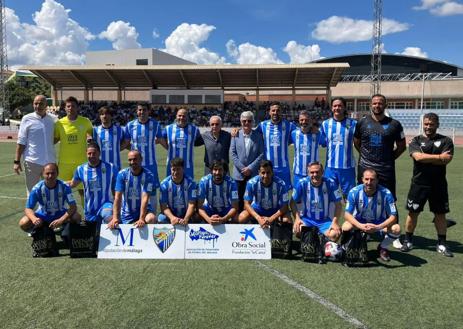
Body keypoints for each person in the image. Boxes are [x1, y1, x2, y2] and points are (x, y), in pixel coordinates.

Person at [401, 113, 454, 256]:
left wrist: (428, 158)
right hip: (419, 184)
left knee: (440, 214)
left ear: (437, 125)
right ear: (423, 124)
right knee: (413, 213)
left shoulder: (446, 140)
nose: (428, 127)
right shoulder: (416, 141)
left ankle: (442, 244)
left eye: (431, 124)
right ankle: (408, 240)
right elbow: (418, 157)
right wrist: (438, 157)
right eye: (426, 124)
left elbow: (447, 159)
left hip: (439, 185)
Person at [353, 94, 406, 200]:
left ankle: (390, 217)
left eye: (380, 103)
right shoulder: (361, 122)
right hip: (365, 167)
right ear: (370, 105)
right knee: (362, 198)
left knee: (388, 199)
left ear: (385, 105)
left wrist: (389, 158)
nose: (377, 105)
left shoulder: (395, 124)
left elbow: (402, 146)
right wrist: (366, 156)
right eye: (375, 103)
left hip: (386, 169)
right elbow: (356, 142)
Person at [342, 168, 401, 262]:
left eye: (372, 179)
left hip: (378, 223)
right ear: (362, 179)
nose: (369, 182)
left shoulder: (386, 193)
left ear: (377, 180)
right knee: (346, 227)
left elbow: (393, 216)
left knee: (396, 229)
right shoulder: (354, 192)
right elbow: (347, 214)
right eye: (366, 179)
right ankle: (350, 246)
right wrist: (360, 225)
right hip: (360, 222)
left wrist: (378, 227)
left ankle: (382, 247)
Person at [19, 163, 81, 233]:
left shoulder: (65, 187)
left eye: (53, 173)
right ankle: (37, 232)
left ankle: (66, 231)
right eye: (47, 173)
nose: (50, 176)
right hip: (43, 216)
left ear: (57, 174)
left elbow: (73, 207)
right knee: (23, 223)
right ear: (43, 174)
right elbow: (28, 208)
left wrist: (61, 220)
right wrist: (34, 219)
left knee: (77, 217)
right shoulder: (36, 188)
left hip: (60, 214)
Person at [14, 95, 56, 195]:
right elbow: (21, 141)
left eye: (41, 103)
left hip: (50, 163)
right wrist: (16, 161)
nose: (38, 106)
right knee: (32, 194)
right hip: (32, 162)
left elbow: (57, 137)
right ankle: (31, 211)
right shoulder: (26, 119)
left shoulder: (54, 120)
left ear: (46, 105)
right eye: (35, 103)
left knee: (51, 194)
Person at [54, 96, 93, 201]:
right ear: (65, 108)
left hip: (81, 163)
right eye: (68, 106)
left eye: (73, 106)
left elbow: (91, 135)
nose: (70, 108)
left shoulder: (85, 122)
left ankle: (87, 215)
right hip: (64, 163)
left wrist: (89, 137)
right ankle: (63, 215)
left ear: (77, 108)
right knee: (62, 190)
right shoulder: (59, 123)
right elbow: (54, 139)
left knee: (83, 191)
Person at [291, 162, 342, 242]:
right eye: (312, 172)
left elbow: (338, 205)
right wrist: (297, 219)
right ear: (308, 173)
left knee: (334, 234)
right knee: (298, 230)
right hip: (307, 220)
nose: (315, 175)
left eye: (317, 172)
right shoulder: (302, 183)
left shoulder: (331, 183)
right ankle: (318, 238)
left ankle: (316, 238)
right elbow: (292, 202)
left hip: (325, 221)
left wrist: (335, 222)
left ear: (322, 172)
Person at [69, 142, 118, 224]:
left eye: (94, 153)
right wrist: (57, 183)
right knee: (93, 233)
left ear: (99, 153)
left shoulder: (111, 167)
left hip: (106, 204)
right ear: (86, 154)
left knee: (109, 217)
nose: (92, 156)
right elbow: (72, 184)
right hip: (90, 209)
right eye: (89, 153)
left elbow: (117, 187)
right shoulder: (80, 169)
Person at [108, 150, 157, 229]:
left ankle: (149, 241)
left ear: (141, 159)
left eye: (135, 159)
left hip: (144, 213)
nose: (132, 162)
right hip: (126, 213)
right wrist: (115, 217)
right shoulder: (122, 174)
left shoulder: (149, 175)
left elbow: (145, 198)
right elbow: (117, 197)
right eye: (130, 160)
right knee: (109, 219)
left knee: (151, 218)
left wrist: (141, 218)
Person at [319, 97, 357, 197]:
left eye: (340, 106)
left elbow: (359, 142)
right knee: (330, 197)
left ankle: (349, 213)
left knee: (350, 197)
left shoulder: (353, 124)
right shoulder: (325, 124)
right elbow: (322, 143)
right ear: (331, 108)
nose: (337, 108)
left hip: (347, 168)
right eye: (335, 106)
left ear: (344, 108)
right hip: (330, 168)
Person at [238, 160, 291, 228]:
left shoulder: (281, 184)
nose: (265, 176)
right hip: (258, 210)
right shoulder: (251, 183)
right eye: (263, 173)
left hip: (274, 210)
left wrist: (271, 218)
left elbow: (285, 206)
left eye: (268, 172)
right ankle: (253, 226)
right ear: (259, 173)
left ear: (272, 172)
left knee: (287, 220)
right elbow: (246, 204)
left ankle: (282, 237)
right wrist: (258, 218)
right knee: (241, 218)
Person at [230, 111, 264, 212]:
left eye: (249, 121)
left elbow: (261, 154)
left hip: (253, 174)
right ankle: (238, 222)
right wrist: (242, 168)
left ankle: (251, 220)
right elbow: (232, 153)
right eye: (244, 121)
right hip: (238, 175)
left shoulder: (258, 136)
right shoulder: (235, 135)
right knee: (238, 199)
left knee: (253, 199)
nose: (246, 123)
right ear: (241, 122)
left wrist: (250, 168)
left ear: (253, 122)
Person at [257, 102, 296, 188]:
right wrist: (238, 130)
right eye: (273, 110)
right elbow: (252, 135)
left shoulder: (289, 125)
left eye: (278, 110)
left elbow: (302, 133)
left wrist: (313, 127)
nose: (275, 113)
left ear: (281, 112)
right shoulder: (262, 125)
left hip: (283, 167)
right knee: (268, 191)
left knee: (284, 193)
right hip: (267, 168)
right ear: (269, 112)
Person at [124, 103, 163, 187]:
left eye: (144, 110)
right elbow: (126, 143)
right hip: (135, 162)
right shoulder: (130, 125)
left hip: (151, 163)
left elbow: (160, 140)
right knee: (135, 187)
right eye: (140, 110)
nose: (142, 112)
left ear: (148, 111)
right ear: (137, 111)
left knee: (152, 190)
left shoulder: (155, 124)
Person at [162, 108, 204, 180]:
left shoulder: (194, 130)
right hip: (172, 166)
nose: (181, 118)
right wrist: (167, 148)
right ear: (176, 116)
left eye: (184, 116)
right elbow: (158, 139)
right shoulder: (168, 128)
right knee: (171, 187)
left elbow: (200, 141)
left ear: (187, 117)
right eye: (179, 116)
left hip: (187, 166)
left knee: (188, 187)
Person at [197, 160, 239, 224]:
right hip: (210, 210)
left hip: (226, 210)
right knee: (196, 216)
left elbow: (235, 207)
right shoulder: (204, 181)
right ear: (211, 171)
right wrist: (208, 219)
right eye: (215, 169)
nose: (217, 172)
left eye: (220, 170)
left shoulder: (232, 183)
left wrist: (224, 219)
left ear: (224, 171)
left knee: (239, 218)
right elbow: (199, 206)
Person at [159, 157, 197, 225]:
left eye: (178, 169)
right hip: (172, 214)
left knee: (198, 217)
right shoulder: (164, 184)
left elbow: (192, 204)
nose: (175, 172)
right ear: (170, 169)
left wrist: (186, 218)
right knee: (161, 218)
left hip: (187, 214)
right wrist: (172, 218)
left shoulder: (191, 184)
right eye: (173, 169)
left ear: (183, 169)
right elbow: (163, 206)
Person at [92, 106, 129, 172]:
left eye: (107, 114)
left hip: (116, 167)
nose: (104, 116)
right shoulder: (95, 131)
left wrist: (117, 148)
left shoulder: (119, 130)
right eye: (102, 114)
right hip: (99, 167)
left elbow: (126, 142)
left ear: (111, 116)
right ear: (100, 117)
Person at [291, 111, 321, 188]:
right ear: (299, 121)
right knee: (297, 198)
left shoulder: (318, 134)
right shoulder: (294, 134)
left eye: (306, 120)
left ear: (311, 121)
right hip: (298, 173)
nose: (304, 122)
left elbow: (327, 143)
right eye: (302, 120)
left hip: (313, 173)